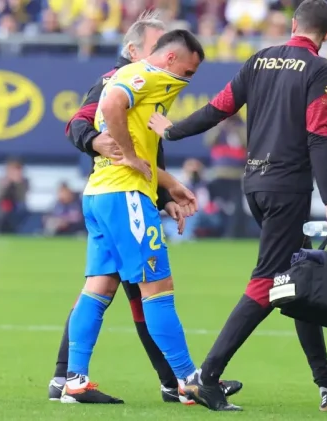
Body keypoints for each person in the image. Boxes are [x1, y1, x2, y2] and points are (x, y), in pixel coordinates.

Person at [147, 0, 327, 412]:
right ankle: (206, 378)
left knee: (298, 280)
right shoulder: (320, 70)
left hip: (256, 184)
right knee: (271, 280)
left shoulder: (260, 60)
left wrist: (173, 131)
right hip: (288, 188)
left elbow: (219, 109)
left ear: (292, 24)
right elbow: (318, 137)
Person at [50, 12, 242, 404]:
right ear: (166, 57)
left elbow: (112, 113)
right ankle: (187, 379)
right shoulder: (148, 75)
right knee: (158, 288)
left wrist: (168, 185)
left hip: (99, 193)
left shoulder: (119, 76)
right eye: (187, 70)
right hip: (125, 196)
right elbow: (113, 104)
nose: (187, 79)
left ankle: (72, 379)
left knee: (97, 288)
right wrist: (132, 157)